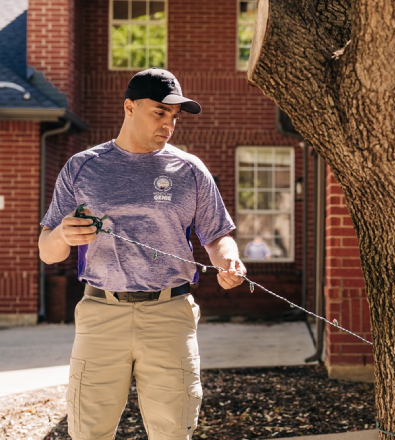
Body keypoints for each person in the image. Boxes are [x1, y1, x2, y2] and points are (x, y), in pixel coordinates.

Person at [38, 68, 246, 440]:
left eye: (174, 117)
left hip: (170, 315)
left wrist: (228, 260)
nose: (168, 124)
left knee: (173, 432)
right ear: (129, 108)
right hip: (101, 315)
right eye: (159, 112)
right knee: (88, 432)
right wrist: (64, 234)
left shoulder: (190, 170)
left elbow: (217, 236)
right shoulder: (82, 167)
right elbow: (47, 251)